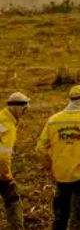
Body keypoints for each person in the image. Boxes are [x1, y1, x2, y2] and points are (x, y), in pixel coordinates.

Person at [37, 85, 80, 230]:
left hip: (60, 174)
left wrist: (51, 168)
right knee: (77, 215)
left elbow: (40, 149)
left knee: (60, 216)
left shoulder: (53, 120)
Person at [0, 93, 30, 230]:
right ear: (17, 108)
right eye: (25, 108)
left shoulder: (2, 117)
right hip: (1, 170)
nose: (26, 111)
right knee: (13, 200)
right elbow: (3, 156)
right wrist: (6, 175)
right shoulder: (7, 125)